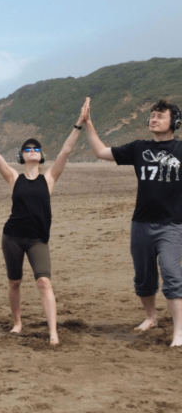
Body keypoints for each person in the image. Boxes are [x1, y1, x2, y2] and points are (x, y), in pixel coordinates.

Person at [0, 98, 87, 345]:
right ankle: (17, 323)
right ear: (21, 156)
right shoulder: (14, 178)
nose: (33, 150)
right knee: (14, 281)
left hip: (38, 239)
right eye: (28, 149)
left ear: (42, 155)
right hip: (12, 237)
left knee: (44, 281)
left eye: (36, 148)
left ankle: (53, 332)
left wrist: (79, 125)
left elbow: (66, 151)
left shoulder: (49, 179)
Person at [82, 97, 182, 347]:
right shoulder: (139, 148)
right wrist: (88, 123)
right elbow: (100, 152)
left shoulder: (180, 150)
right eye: (152, 114)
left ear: (175, 122)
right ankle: (151, 318)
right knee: (144, 276)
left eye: (160, 115)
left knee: (171, 273)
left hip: (172, 224)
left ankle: (179, 332)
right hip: (141, 224)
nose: (154, 118)